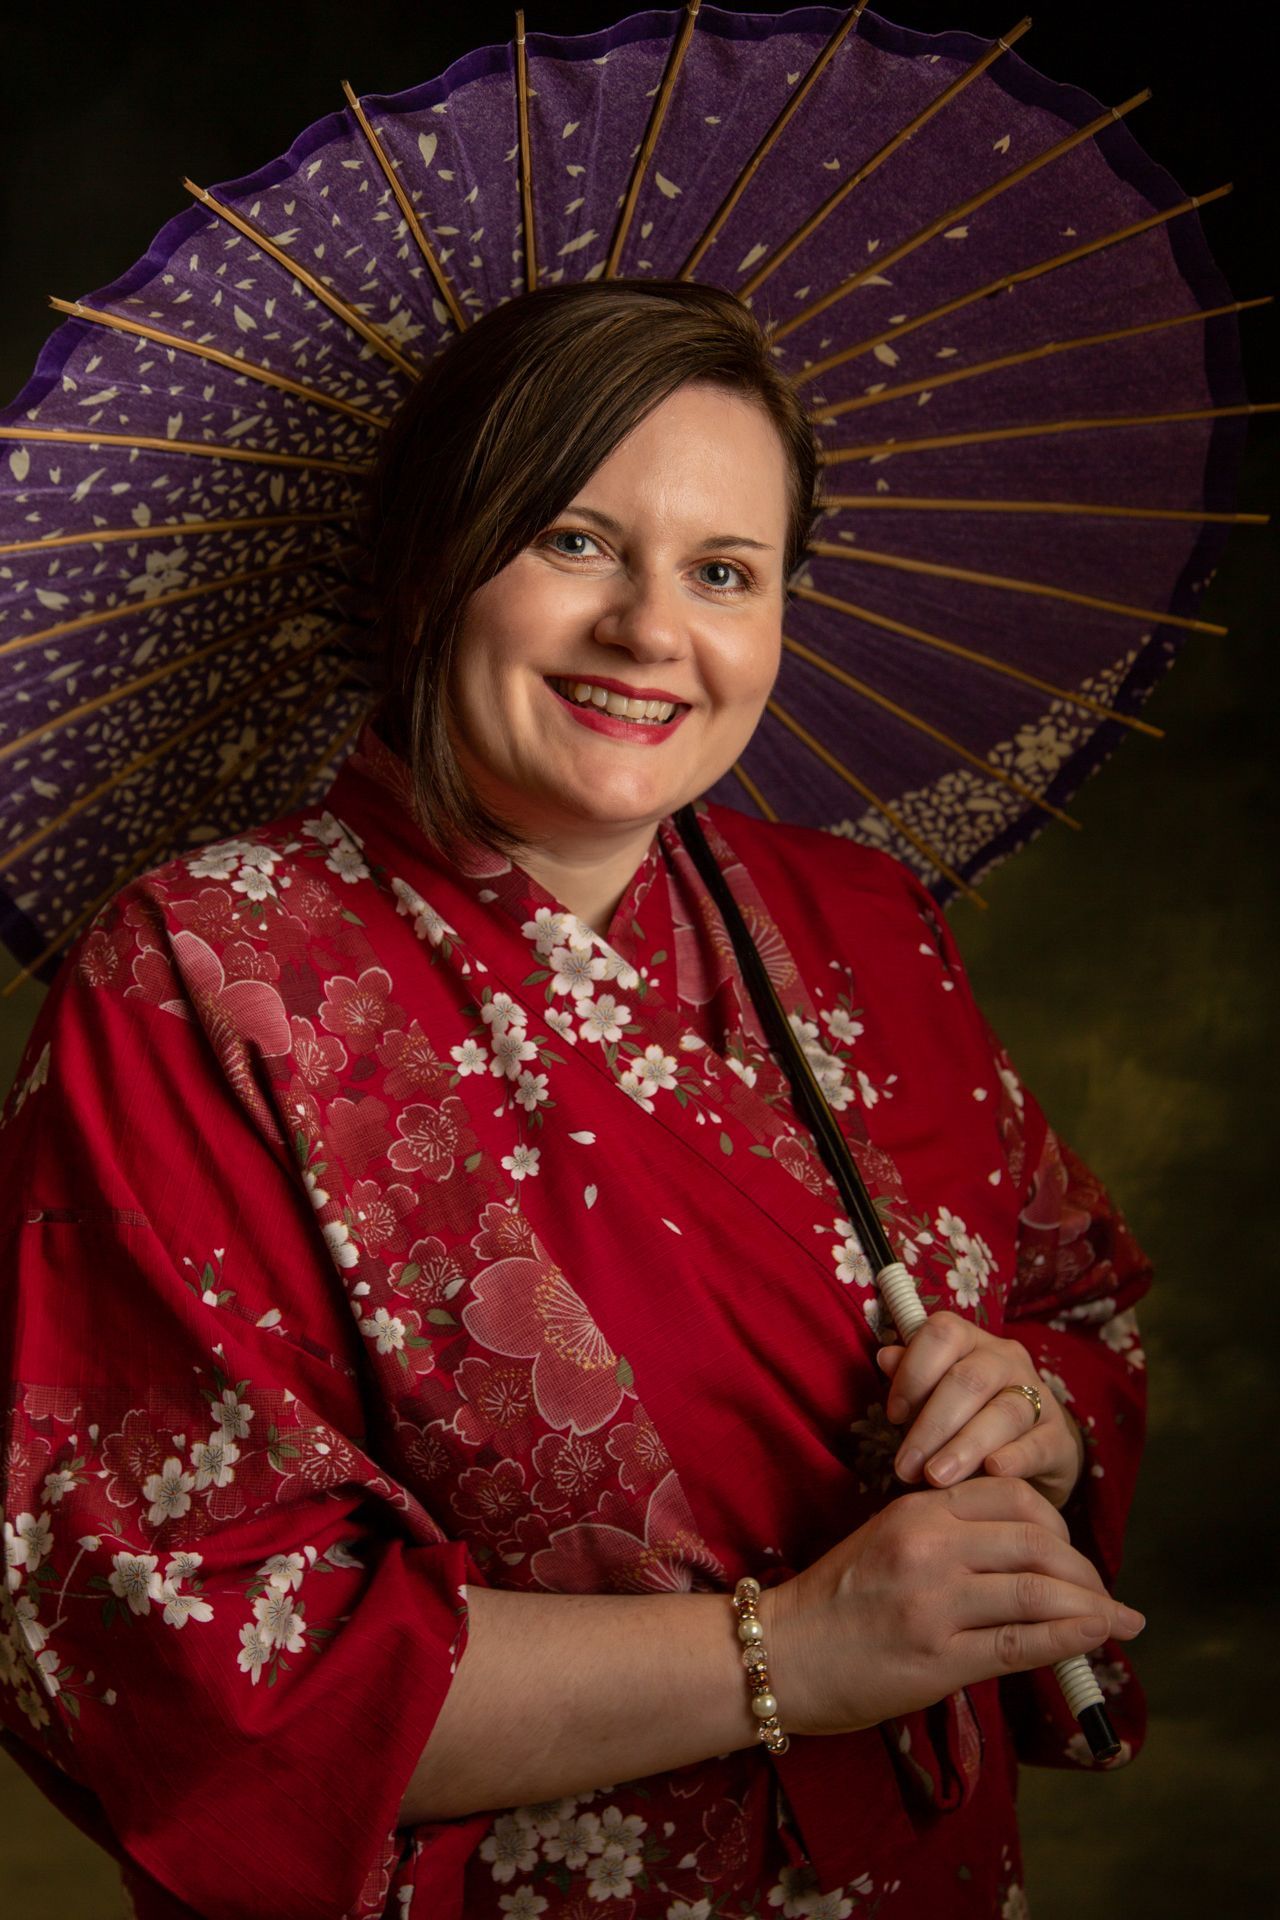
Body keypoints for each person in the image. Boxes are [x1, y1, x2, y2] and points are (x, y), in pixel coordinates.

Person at [0, 281, 1150, 1920]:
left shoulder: (869, 927)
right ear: (428, 570)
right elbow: (194, 1646)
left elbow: (1076, 1304)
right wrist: (795, 1652)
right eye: (574, 541)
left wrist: (1032, 1414)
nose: (650, 632)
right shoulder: (200, 974)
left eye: (724, 572)